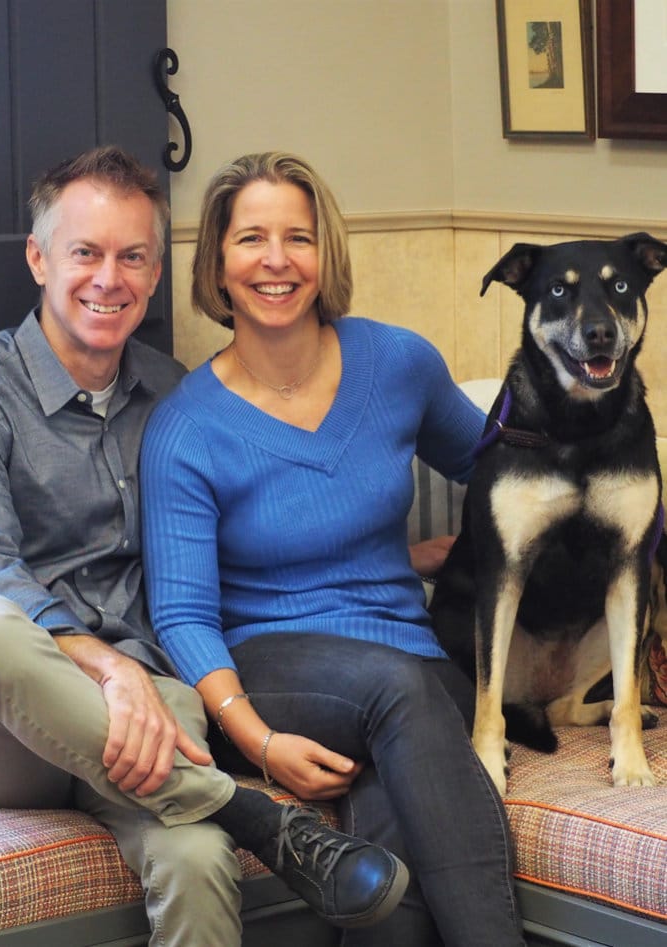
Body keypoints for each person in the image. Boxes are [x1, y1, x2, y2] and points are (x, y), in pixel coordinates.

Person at [0, 146, 410, 947]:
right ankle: (254, 815)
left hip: (152, 716)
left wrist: (412, 554)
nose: (110, 278)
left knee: (200, 858)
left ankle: (220, 818)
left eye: (133, 256)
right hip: (4, 725)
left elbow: (246, 536)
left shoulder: (177, 394)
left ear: (156, 273)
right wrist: (109, 664)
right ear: (38, 256)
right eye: (85, 253)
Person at [141, 151, 528, 947]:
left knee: (390, 847)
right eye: (251, 238)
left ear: (328, 254)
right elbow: (181, 613)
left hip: (412, 662)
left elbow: (501, 465)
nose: (276, 260)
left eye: (299, 237)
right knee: (398, 691)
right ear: (217, 261)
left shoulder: (398, 363)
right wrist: (256, 739)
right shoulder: (185, 428)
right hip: (269, 671)